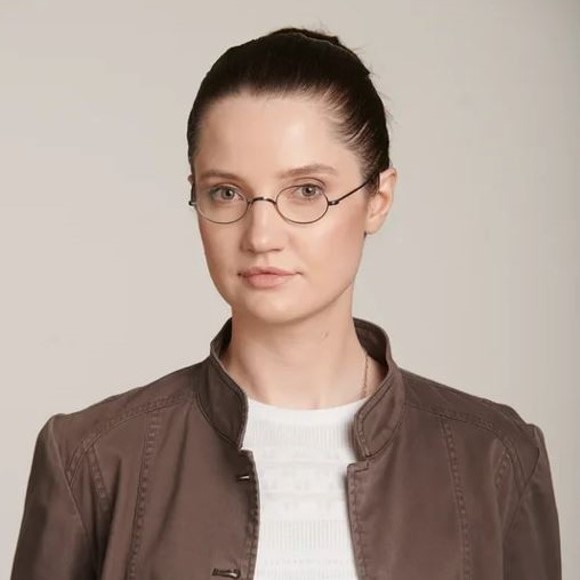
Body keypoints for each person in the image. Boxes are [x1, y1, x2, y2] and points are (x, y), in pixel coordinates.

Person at [11, 26, 561, 580]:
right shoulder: (92, 460)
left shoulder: (496, 459)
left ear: (378, 199)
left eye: (307, 191)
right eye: (226, 192)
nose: (261, 235)